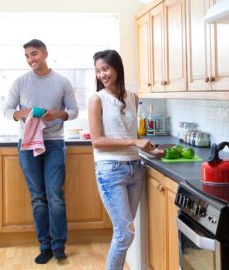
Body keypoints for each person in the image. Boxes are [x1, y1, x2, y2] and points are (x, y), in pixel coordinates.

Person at [3, 39, 79, 264]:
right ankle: (44, 246)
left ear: (45, 53)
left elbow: (74, 111)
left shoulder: (62, 82)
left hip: (54, 143)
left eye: (34, 54)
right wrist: (23, 113)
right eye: (27, 56)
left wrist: (57, 114)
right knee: (38, 198)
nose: (30, 59)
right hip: (28, 145)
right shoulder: (20, 82)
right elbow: (7, 111)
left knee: (55, 196)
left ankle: (59, 246)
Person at [88, 50, 160, 269]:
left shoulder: (133, 97)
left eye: (105, 69)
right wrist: (133, 142)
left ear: (117, 68)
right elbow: (97, 141)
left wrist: (147, 147)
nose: (102, 75)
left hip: (135, 169)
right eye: (98, 71)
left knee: (125, 232)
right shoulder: (96, 99)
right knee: (124, 234)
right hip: (110, 169)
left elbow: (130, 133)